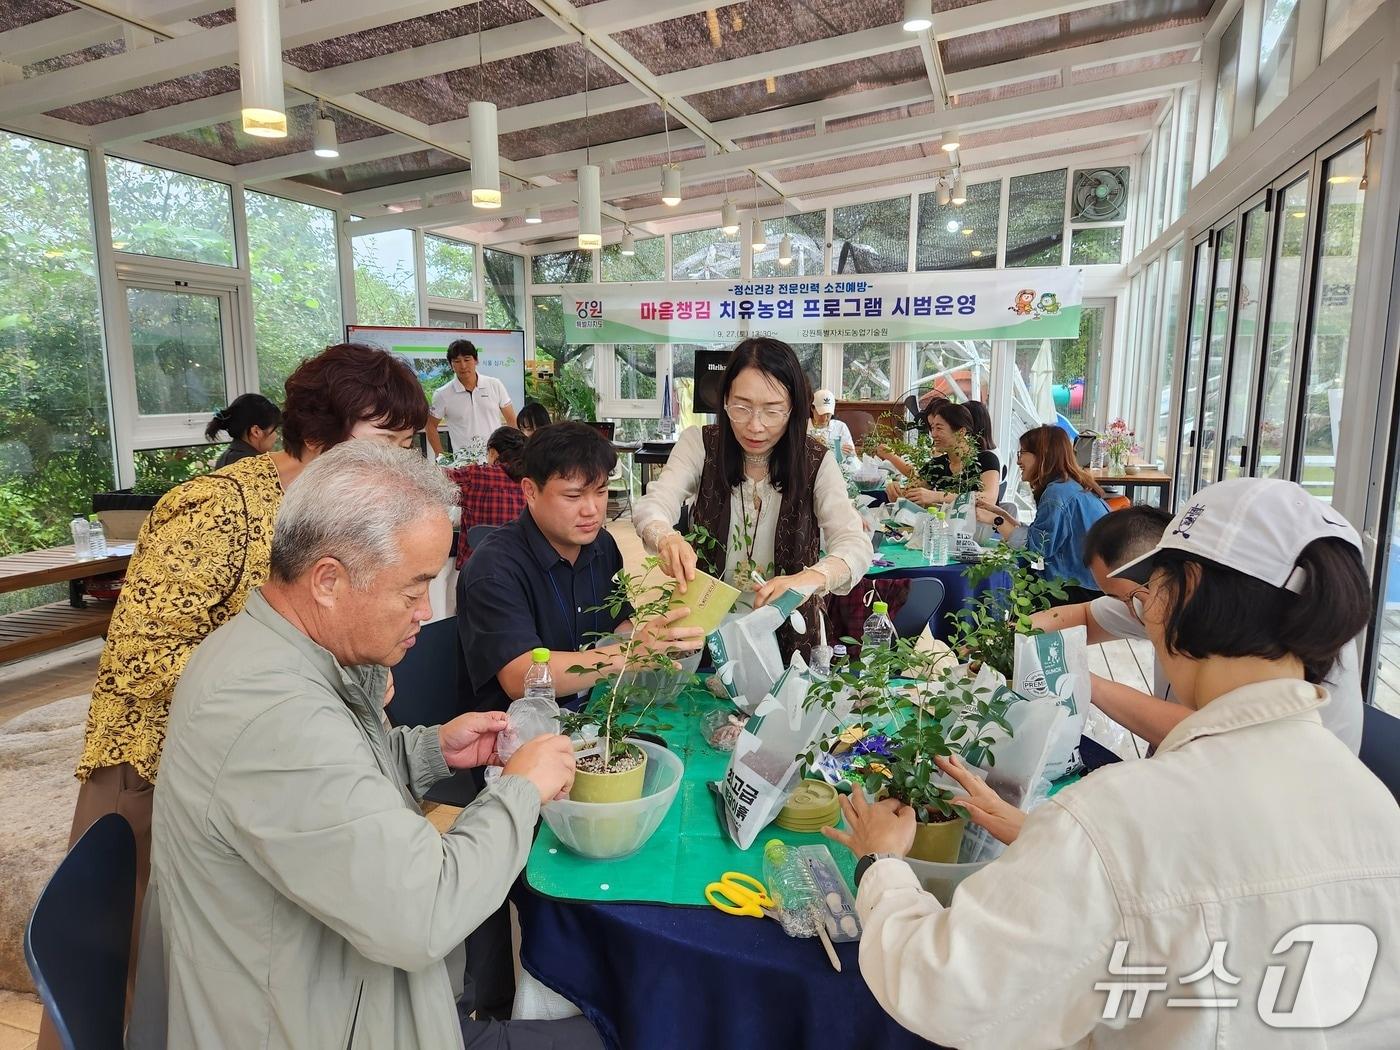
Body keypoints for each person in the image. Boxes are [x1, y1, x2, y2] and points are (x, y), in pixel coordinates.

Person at [826, 477, 1400, 1049]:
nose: (1145, 609)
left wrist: (880, 864)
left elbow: (943, 988)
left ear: (1184, 590)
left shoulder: (1118, 816)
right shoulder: (1378, 810)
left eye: (1152, 591)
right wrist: (1049, 840)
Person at [127, 442, 599, 1050]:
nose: (425, 613)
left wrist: (428, 751)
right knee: (629, 1030)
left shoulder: (271, 655)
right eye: (412, 591)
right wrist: (521, 789)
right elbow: (423, 911)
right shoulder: (272, 713)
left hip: (340, 987)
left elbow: (321, 794)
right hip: (320, 1020)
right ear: (328, 580)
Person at [45, 344, 427, 1048]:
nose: (399, 465)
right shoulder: (218, 507)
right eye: (386, 443)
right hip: (156, 772)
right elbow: (144, 654)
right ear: (314, 434)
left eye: (408, 447)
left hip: (263, 773)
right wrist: (300, 685)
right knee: (131, 983)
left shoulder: (345, 516)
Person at [1030, 503, 1364, 754]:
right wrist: (1013, 635)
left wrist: (1084, 681)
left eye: (1133, 598)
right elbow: (1086, 616)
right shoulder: (1164, 598)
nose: (1134, 612)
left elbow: (1202, 731)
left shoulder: (1247, 637)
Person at [632, 338, 873, 657]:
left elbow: (855, 544)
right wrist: (666, 538)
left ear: (794, 409)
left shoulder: (816, 461)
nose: (755, 426)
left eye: (773, 411)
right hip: (703, 625)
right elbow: (654, 504)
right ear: (725, 400)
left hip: (789, 632)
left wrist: (810, 578)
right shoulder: (700, 445)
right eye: (741, 407)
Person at [457, 421, 703, 713]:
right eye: (573, 496)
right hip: (518, 735)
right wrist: (631, 653)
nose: (591, 510)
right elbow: (520, 675)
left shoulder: (602, 546)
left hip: (596, 712)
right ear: (530, 491)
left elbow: (617, 625)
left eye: (600, 491)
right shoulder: (493, 568)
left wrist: (656, 639)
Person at [975, 424, 1109, 603]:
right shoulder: (1071, 487)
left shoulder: (1056, 494)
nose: (1018, 461)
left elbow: (1035, 550)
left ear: (1042, 455)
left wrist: (996, 520)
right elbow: (1043, 536)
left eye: (1022, 453)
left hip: (1077, 590)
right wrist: (1002, 515)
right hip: (1095, 585)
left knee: (994, 588)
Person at [884, 401, 1000, 509]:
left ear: (961, 432)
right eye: (932, 428)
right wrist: (895, 491)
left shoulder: (986, 460)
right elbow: (908, 494)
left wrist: (938, 496)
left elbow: (988, 498)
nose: (933, 434)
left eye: (939, 428)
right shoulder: (936, 465)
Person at [448, 425, 528, 570]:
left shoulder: (475, 476)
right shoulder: (532, 482)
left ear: (493, 452)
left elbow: (436, 480)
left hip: (475, 567)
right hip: (519, 568)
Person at [427, 340, 517, 457]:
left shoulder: (495, 384)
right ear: (451, 365)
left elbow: (511, 420)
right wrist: (440, 456)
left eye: (467, 359)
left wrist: (512, 451)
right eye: (457, 361)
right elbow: (430, 425)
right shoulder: (442, 394)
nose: (463, 366)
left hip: (496, 460)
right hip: (464, 465)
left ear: (476, 360)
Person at [206, 393, 281, 468]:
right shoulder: (253, 466)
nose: (276, 436)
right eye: (275, 430)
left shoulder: (226, 457)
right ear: (256, 431)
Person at [810, 388, 855, 458]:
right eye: (821, 414)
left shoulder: (840, 427)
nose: (825, 418)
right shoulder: (803, 426)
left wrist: (847, 452)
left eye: (828, 414)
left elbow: (852, 455)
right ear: (812, 408)